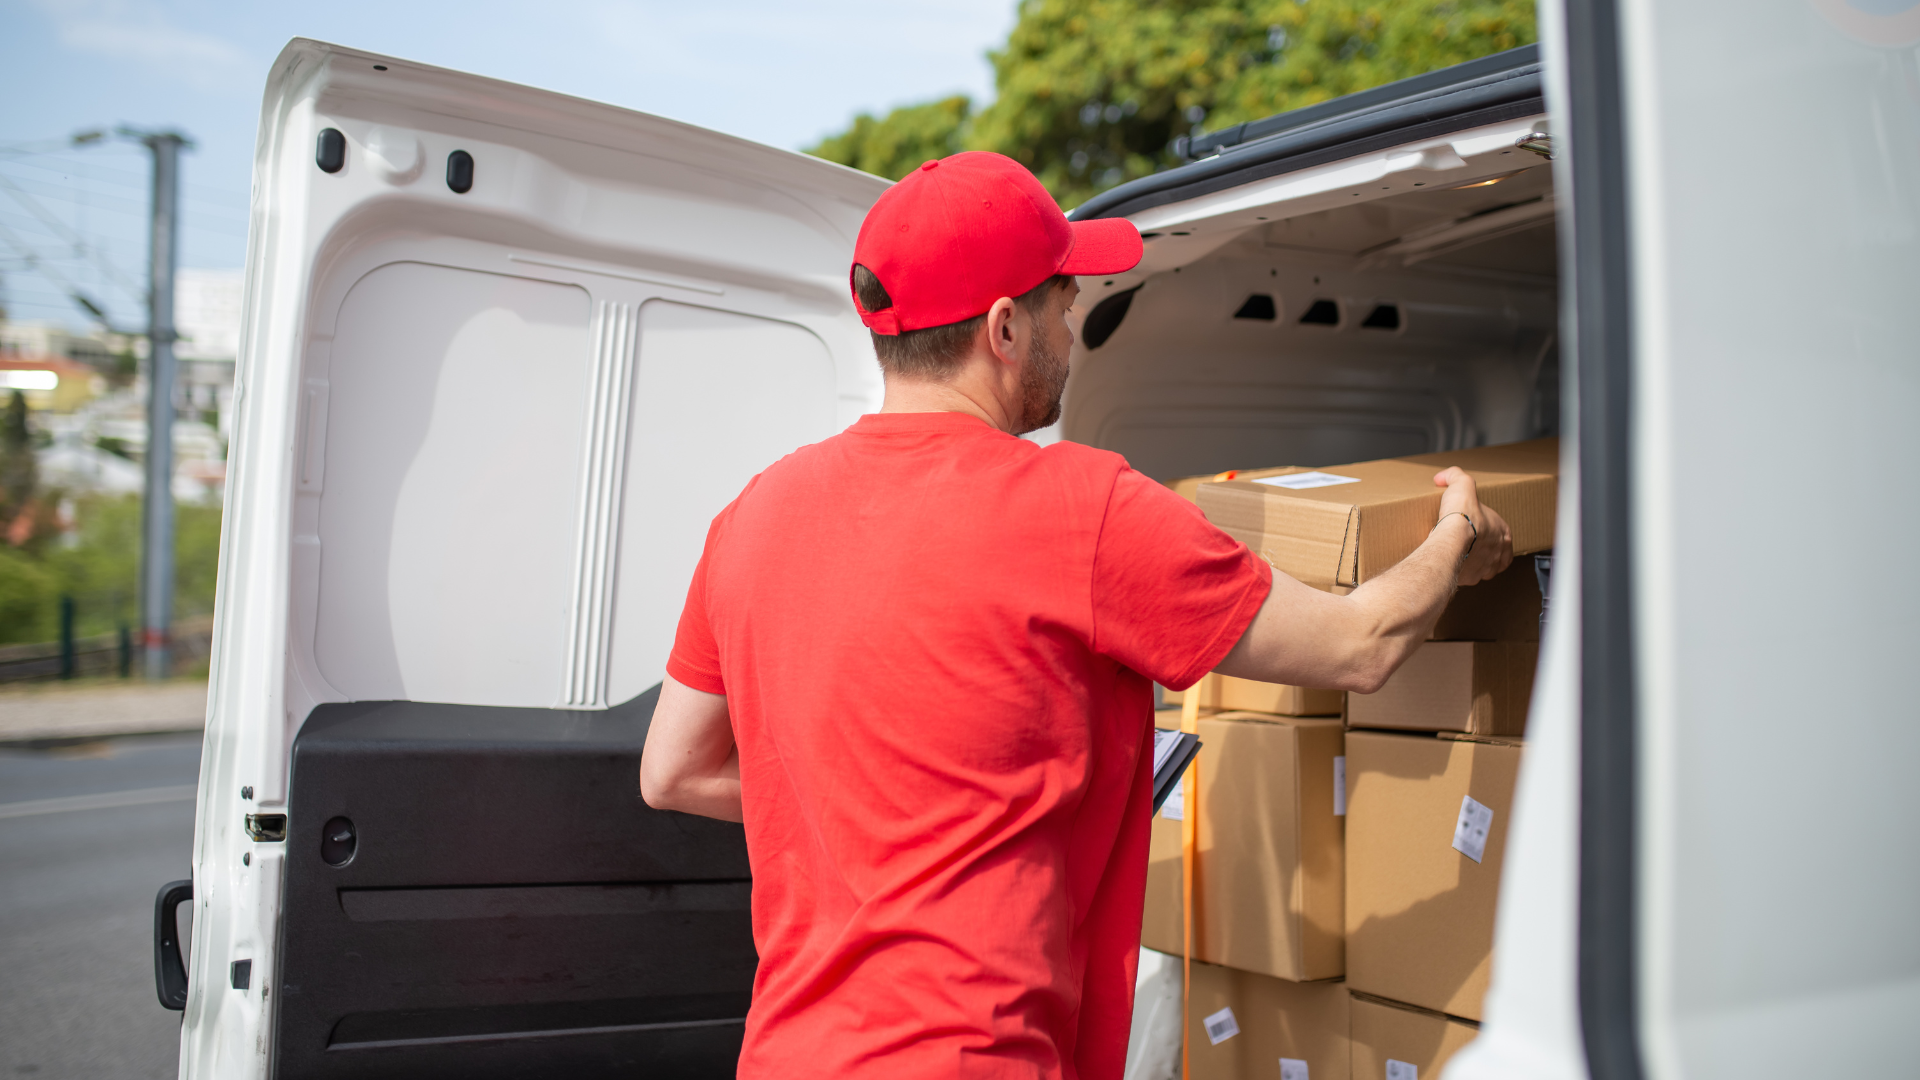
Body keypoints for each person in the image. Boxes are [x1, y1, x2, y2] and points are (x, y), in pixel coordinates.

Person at [641, 151, 1512, 1080]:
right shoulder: (1081, 508)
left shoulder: (752, 517)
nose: (1077, 324)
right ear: (1005, 326)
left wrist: (880, 813)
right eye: (1067, 300)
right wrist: (1458, 531)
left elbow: (673, 770)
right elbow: (1362, 643)